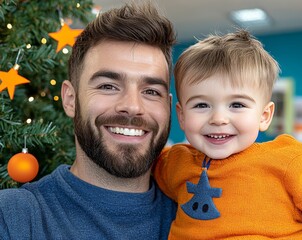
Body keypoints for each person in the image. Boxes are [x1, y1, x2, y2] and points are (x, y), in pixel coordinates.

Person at [153, 29, 302, 239]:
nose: (218, 118)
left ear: (264, 116)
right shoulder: (174, 163)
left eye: (237, 104)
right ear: (181, 115)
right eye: (201, 105)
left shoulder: (287, 162)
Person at [0, 1, 177, 239]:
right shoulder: (13, 217)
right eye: (108, 86)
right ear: (70, 99)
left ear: (168, 105)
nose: (133, 107)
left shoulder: (204, 219)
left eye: (151, 91)